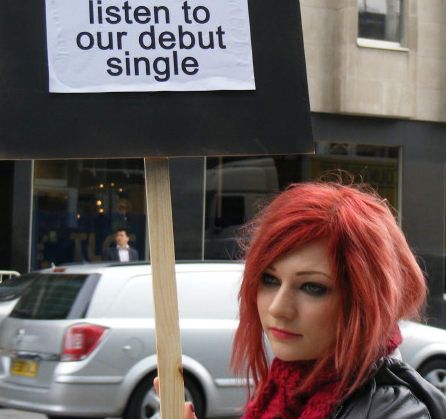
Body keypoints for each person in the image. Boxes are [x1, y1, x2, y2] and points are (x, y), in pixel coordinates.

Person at [181, 179, 446, 418]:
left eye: (312, 287)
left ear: (364, 300)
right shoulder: (283, 392)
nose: (278, 308)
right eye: (270, 280)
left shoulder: (392, 411)